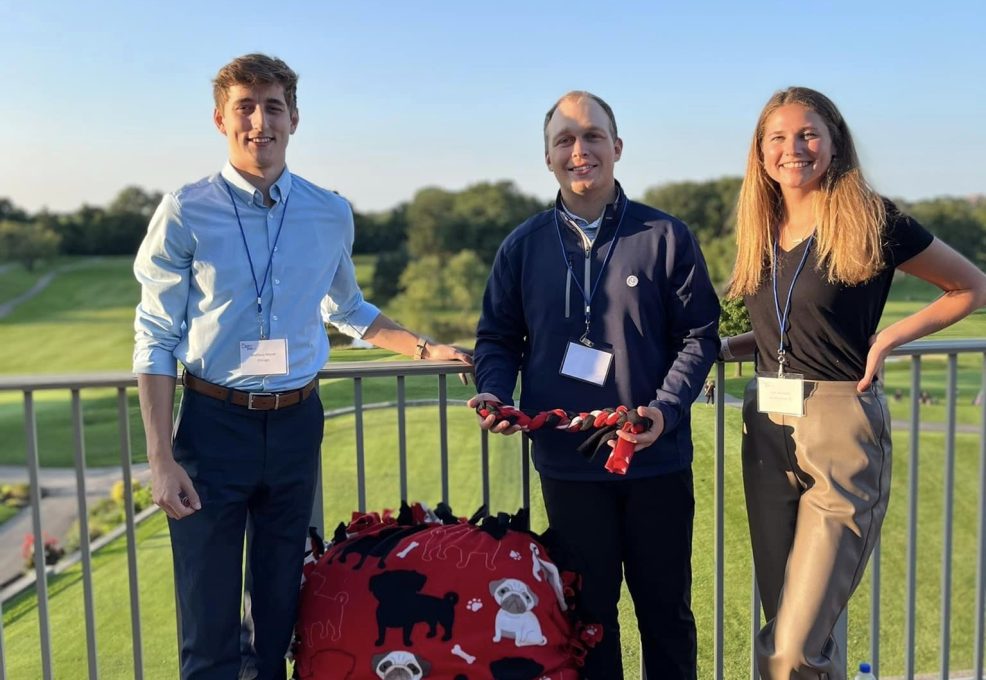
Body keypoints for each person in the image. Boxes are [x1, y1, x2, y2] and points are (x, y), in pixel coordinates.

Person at [132, 53, 470, 680]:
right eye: (245, 107)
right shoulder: (185, 209)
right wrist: (160, 458)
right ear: (220, 119)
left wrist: (426, 349)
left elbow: (350, 309)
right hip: (211, 427)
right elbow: (154, 337)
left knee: (279, 616)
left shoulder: (329, 212)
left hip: (295, 426)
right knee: (208, 628)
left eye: (273, 106)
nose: (260, 121)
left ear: (295, 117)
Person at [719, 86, 986, 680]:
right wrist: (724, 349)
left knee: (792, 647)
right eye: (778, 137)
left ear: (834, 139)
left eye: (809, 133)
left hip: (840, 428)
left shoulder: (870, 218)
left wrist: (889, 337)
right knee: (789, 627)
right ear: (760, 153)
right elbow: (786, 328)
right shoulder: (762, 227)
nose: (794, 148)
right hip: (766, 425)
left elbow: (971, 286)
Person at [468, 91, 720, 679]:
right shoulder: (523, 245)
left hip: (654, 459)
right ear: (548, 157)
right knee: (588, 618)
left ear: (617, 147)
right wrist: (497, 392)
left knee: (666, 614)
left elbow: (699, 335)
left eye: (592, 137)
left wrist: (664, 410)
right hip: (568, 466)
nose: (579, 151)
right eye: (565, 140)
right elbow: (498, 339)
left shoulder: (665, 235)